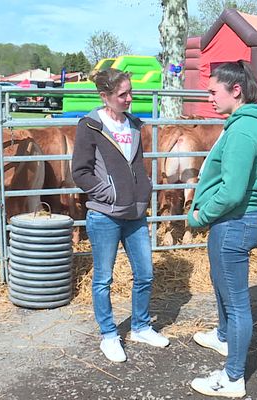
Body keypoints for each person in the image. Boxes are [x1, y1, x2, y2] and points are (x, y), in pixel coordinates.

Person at [187, 60, 257, 398]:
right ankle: (224, 337)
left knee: (238, 303)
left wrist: (201, 215)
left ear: (235, 90)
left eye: (213, 91)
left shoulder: (243, 129)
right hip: (237, 220)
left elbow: (233, 190)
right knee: (223, 285)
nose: (209, 98)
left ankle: (233, 378)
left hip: (235, 221)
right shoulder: (246, 123)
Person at [72, 68, 169, 363]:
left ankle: (140, 326)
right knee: (103, 278)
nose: (130, 98)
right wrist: (108, 194)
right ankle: (110, 335)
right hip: (105, 215)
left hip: (135, 212)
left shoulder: (135, 125)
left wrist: (144, 190)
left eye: (130, 92)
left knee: (146, 273)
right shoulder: (89, 126)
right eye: (122, 94)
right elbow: (80, 172)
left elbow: (137, 165)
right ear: (105, 96)